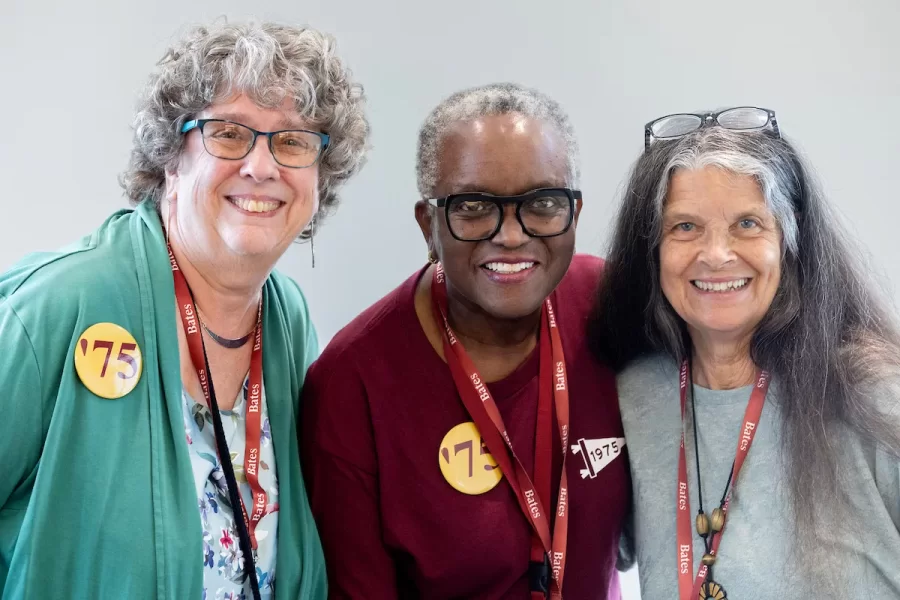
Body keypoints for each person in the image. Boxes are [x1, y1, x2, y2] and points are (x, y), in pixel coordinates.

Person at [0, 20, 368, 600]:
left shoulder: (288, 322)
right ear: (172, 156)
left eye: (293, 142)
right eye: (228, 133)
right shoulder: (60, 306)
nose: (262, 166)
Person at [300, 82, 630, 599]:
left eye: (542, 202)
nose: (512, 234)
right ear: (429, 226)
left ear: (575, 213)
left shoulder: (609, 310)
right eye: (474, 207)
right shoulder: (352, 383)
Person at [590, 107, 900, 598]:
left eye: (748, 223)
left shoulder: (876, 395)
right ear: (652, 247)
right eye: (685, 227)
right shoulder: (634, 396)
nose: (716, 254)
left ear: (790, 234)